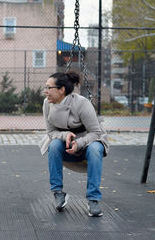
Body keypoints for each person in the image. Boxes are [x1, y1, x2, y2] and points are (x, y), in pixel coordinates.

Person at [40, 71, 109, 217]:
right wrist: (65, 135)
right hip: (65, 145)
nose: (45, 91)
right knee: (53, 145)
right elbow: (51, 132)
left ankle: (93, 199)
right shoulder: (47, 104)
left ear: (61, 90)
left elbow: (96, 132)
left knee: (96, 148)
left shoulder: (82, 103)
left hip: (87, 143)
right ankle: (58, 193)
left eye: (49, 87)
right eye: (45, 87)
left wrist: (78, 143)